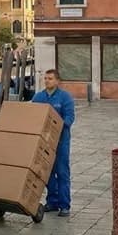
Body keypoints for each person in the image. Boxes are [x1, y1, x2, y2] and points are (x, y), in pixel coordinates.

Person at [32, 69, 75, 217]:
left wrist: (59, 125)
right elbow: (33, 117)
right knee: (47, 172)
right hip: (44, 142)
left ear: (57, 81)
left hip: (61, 141)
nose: (47, 81)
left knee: (62, 172)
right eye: (45, 79)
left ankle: (65, 205)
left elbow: (70, 117)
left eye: (50, 79)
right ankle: (52, 202)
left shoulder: (65, 97)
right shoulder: (38, 97)